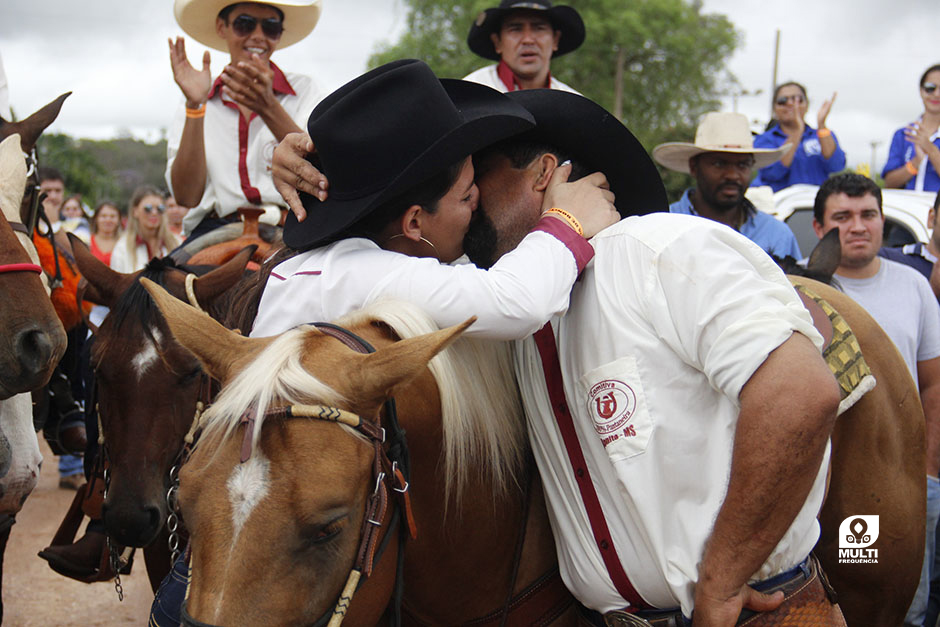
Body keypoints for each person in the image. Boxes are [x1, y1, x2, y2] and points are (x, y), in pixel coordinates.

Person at [271, 87, 842, 623]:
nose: (463, 199)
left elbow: (800, 393)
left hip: (743, 615)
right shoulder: (500, 298)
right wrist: (304, 161)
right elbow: (376, 179)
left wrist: (721, 578)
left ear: (545, 174)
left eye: (478, 177)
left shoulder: (661, 249)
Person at [149, 58, 620, 627]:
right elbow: (516, 302)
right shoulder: (374, 275)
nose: (476, 216)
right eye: (469, 196)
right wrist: (568, 222)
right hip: (292, 511)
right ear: (415, 222)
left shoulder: (310, 263)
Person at [811, 173, 940, 627]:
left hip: (901, 480)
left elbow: (934, 386)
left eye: (868, 214)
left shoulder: (914, 287)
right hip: (835, 489)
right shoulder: (802, 293)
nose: (858, 226)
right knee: (845, 597)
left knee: (906, 601)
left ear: (883, 221)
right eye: (842, 217)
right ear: (819, 229)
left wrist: (926, 473)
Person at [167, 0, 324, 239]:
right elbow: (187, 197)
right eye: (245, 24)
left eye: (270, 27)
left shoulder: (305, 90)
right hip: (215, 231)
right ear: (222, 27)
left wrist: (267, 106)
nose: (258, 36)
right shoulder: (200, 100)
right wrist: (195, 106)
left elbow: (319, 170)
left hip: (289, 228)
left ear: (279, 35)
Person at [653, 111, 802, 259]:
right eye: (719, 164)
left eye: (743, 165)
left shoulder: (777, 236)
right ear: (694, 167)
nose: (732, 175)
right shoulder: (663, 228)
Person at [463, 0, 583, 94]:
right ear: (497, 42)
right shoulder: (470, 94)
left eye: (538, 28)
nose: (528, 40)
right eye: (515, 29)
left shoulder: (575, 106)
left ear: (555, 40)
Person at [752, 82, 846, 192]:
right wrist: (797, 130)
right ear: (774, 108)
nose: (791, 104)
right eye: (783, 101)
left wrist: (821, 124)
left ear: (807, 105)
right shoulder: (764, 140)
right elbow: (773, 173)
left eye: (798, 100)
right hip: (779, 204)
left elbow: (836, 165)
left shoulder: (821, 135)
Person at [883, 65, 940, 192]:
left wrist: (930, 149)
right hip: (907, 209)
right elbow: (889, 183)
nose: (936, 94)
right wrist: (915, 163)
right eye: (930, 88)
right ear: (921, 91)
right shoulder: (903, 134)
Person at [110, 185, 181, 273]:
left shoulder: (176, 243)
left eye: (160, 209)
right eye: (148, 208)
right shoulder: (122, 248)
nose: (154, 213)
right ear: (135, 211)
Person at [88, 201, 122, 266]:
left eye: (112, 216)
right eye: (103, 216)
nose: (108, 220)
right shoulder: (86, 242)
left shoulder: (125, 244)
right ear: (96, 219)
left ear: (119, 220)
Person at [38, 167, 66, 232]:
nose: (53, 197)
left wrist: (54, 224)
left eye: (58, 191)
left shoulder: (77, 225)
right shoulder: (25, 225)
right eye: (47, 191)